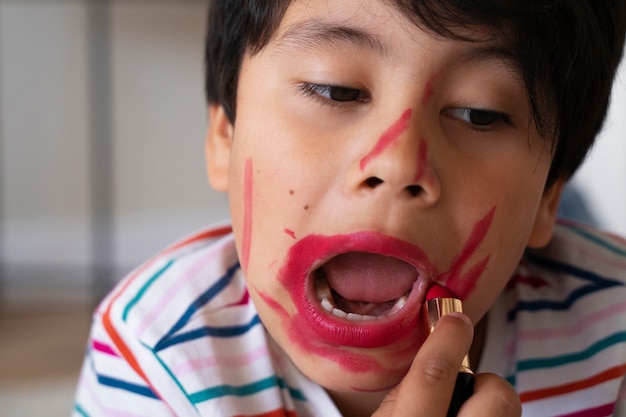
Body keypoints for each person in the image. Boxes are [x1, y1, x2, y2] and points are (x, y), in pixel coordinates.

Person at [73, 1, 626, 416]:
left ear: (547, 194)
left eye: (479, 114)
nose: (399, 162)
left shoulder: (614, 333)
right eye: (335, 90)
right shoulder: (155, 354)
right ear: (224, 131)